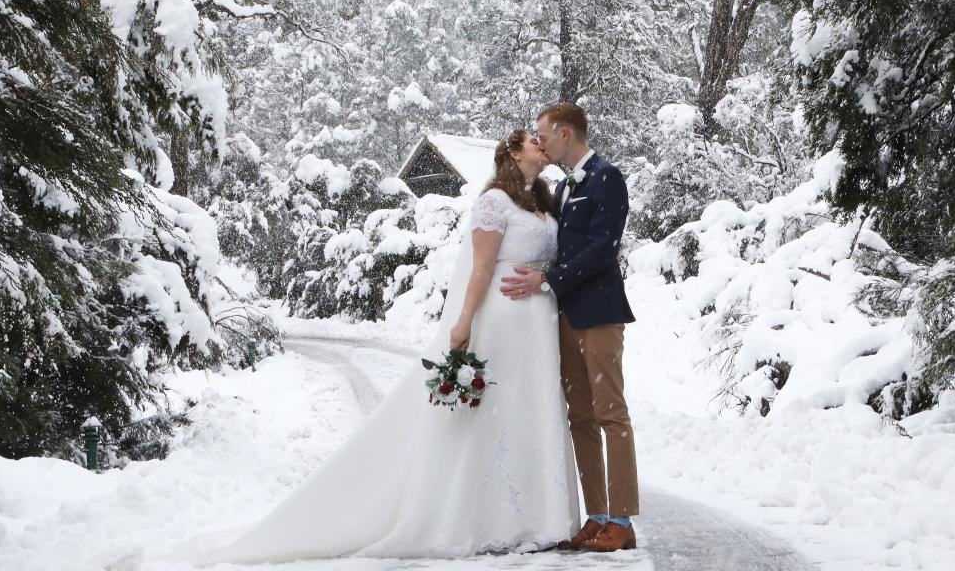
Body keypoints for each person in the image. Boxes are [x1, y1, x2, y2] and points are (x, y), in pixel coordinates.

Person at [178, 129, 579, 564]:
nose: (542, 143)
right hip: (501, 321)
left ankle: (537, 518)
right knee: (495, 417)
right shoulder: (494, 202)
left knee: (530, 412)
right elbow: (480, 268)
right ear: (513, 153)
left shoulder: (543, 200)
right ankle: (488, 519)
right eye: (532, 139)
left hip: (538, 327)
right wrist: (463, 321)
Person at [501, 102, 640, 553]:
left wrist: (548, 280)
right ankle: (596, 515)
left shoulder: (607, 177)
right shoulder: (559, 187)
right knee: (580, 417)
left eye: (543, 135)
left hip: (600, 313)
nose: (540, 143)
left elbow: (604, 247)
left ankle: (622, 519)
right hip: (564, 315)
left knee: (610, 414)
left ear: (565, 133)